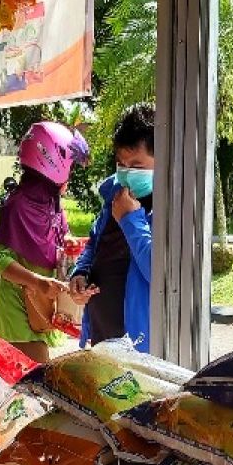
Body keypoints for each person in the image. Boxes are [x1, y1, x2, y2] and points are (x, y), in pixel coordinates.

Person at [0, 121, 89, 363]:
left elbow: (60, 239)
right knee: (37, 387)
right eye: (71, 167)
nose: (71, 174)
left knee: (29, 393)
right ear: (55, 164)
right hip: (16, 309)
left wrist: (73, 246)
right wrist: (37, 282)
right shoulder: (17, 205)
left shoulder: (52, 204)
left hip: (43, 306)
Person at [69, 103, 156, 350]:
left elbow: (159, 273)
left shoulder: (170, 211)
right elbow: (95, 245)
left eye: (137, 166)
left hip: (136, 347)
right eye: (121, 163)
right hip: (100, 337)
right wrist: (80, 274)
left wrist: (131, 220)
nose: (127, 173)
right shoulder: (113, 198)